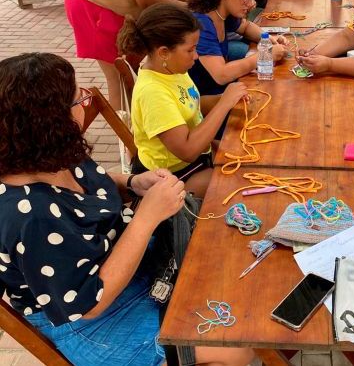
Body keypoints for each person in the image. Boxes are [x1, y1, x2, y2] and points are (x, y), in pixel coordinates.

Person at [0, 52, 254, 366]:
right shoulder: (29, 214)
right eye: (78, 98)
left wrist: (132, 183)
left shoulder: (48, 152)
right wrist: (145, 219)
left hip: (122, 264)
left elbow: (89, 183)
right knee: (236, 345)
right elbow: (87, 305)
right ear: (51, 119)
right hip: (90, 320)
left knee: (232, 275)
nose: (86, 99)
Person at [118, 3, 249, 197]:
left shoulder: (171, 69)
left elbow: (191, 105)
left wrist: (225, 98)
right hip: (172, 177)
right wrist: (224, 104)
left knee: (248, 161)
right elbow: (186, 150)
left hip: (196, 159)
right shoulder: (153, 92)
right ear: (164, 52)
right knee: (239, 186)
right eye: (190, 50)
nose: (196, 56)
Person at [187, 0, 286, 97]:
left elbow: (245, 27)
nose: (251, 3)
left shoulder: (222, 12)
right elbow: (221, 75)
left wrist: (269, 39)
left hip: (224, 92)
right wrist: (266, 54)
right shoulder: (202, 24)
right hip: (208, 101)